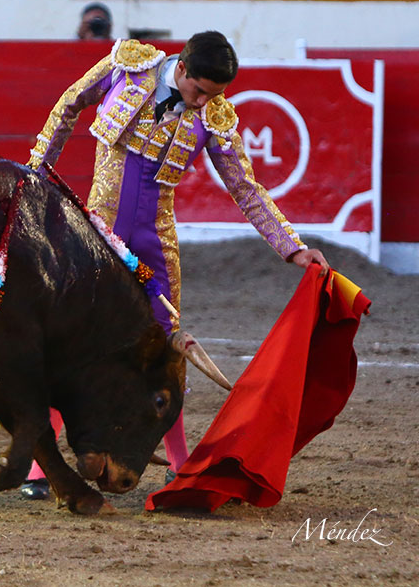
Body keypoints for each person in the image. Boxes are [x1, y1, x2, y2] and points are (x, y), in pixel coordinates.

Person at [20, 31, 329, 500]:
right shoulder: (127, 66)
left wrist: (292, 246)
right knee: (73, 345)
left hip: (154, 244)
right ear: (181, 69)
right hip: (96, 233)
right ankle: (43, 467)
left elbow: (245, 188)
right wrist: (38, 172)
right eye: (200, 91)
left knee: (166, 352)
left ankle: (181, 463)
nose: (204, 102)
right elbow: (68, 105)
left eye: (214, 95)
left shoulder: (214, 116)